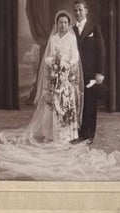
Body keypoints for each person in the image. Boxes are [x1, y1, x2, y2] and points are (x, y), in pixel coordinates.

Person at [24, 9, 83, 147]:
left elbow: (75, 56)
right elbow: (48, 56)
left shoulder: (71, 38)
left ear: (69, 24)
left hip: (66, 74)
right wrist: (53, 61)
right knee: (53, 104)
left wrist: (66, 64)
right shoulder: (54, 39)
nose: (63, 25)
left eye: (65, 23)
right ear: (56, 24)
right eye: (60, 22)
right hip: (55, 74)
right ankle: (52, 133)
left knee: (65, 103)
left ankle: (66, 134)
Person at [73, 2, 106, 145]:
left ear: (86, 11)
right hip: (75, 73)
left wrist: (100, 72)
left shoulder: (94, 27)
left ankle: (89, 134)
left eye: (80, 10)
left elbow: (101, 50)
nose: (78, 13)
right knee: (76, 103)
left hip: (91, 73)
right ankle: (77, 131)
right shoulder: (71, 29)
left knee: (90, 103)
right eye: (75, 10)